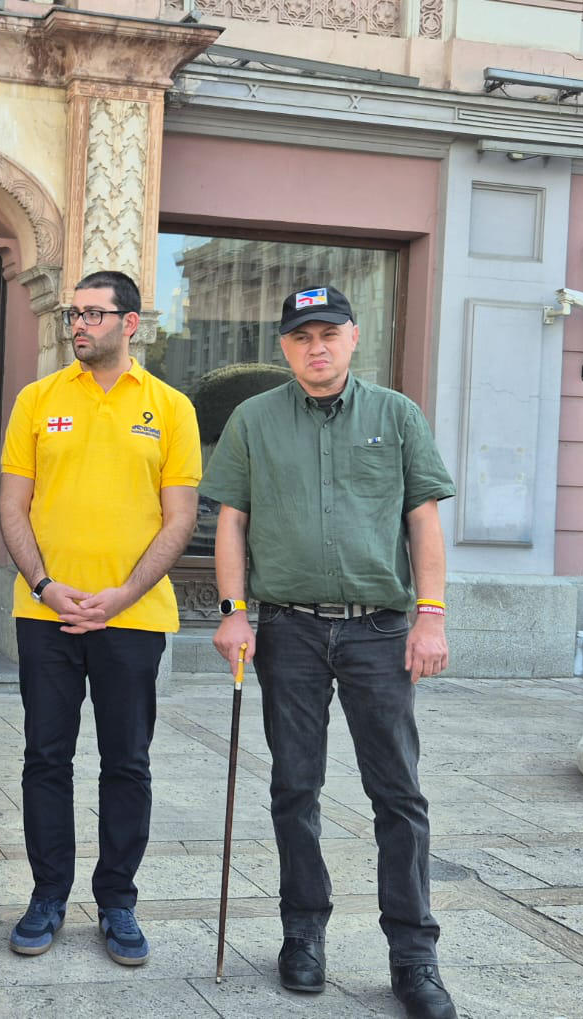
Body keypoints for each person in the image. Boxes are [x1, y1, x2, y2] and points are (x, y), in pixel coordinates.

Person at [202, 285, 459, 1019]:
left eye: (328, 333)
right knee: (294, 786)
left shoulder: (397, 416)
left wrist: (431, 616)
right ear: (284, 347)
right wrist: (233, 612)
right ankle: (302, 934)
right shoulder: (254, 419)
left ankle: (414, 955)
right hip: (288, 630)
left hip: (379, 628)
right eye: (300, 336)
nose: (315, 347)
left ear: (353, 338)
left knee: (398, 795)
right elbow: (232, 521)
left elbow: (422, 520)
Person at [0, 270, 201, 965]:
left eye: (92, 313)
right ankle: (48, 894)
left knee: (127, 762)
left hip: (134, 617)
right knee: (46, 758)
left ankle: (117, 900)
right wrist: (48, 584)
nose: (78, 325)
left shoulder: (170, 407)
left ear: (130, 322)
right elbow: (12, 506)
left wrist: (121, 595)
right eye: (71, 314)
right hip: (44, 610)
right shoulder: (37, 399)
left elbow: (180, 520)